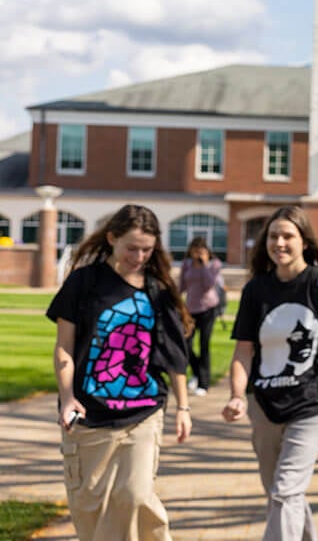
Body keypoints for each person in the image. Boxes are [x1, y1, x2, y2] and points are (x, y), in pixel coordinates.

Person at [47, 203, 193, 541]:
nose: (139, 256)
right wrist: (67, 397)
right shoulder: (84, 282)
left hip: (143, 412)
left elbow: (174, 356)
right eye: (132, 248)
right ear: (112, 238)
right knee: (90, 510)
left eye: (147, 249)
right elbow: (64, 346)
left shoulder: (156, 290)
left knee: (134, 496)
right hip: (88, 413)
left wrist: (184, 408)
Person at [222, 206, 318, 541]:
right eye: (273, 236)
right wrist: (237, 396)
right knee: (283, 493)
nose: (279, 243)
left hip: (312, 403)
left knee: (284, 490)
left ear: (305, 242)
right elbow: (243, 350)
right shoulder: (256, 290)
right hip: (264, 405)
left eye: (288, 236)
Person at [179, 236, 225, 396]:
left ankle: (203, 384)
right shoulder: (186, 264)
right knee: (186, 345)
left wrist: (204, 265)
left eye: (201, 251)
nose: (197, 254)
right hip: (190, 309)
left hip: (207, 309)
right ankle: (197, 373)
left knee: (204, 345)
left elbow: (210, 284)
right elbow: (182, 285)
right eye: (195, 251)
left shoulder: (214, 265)